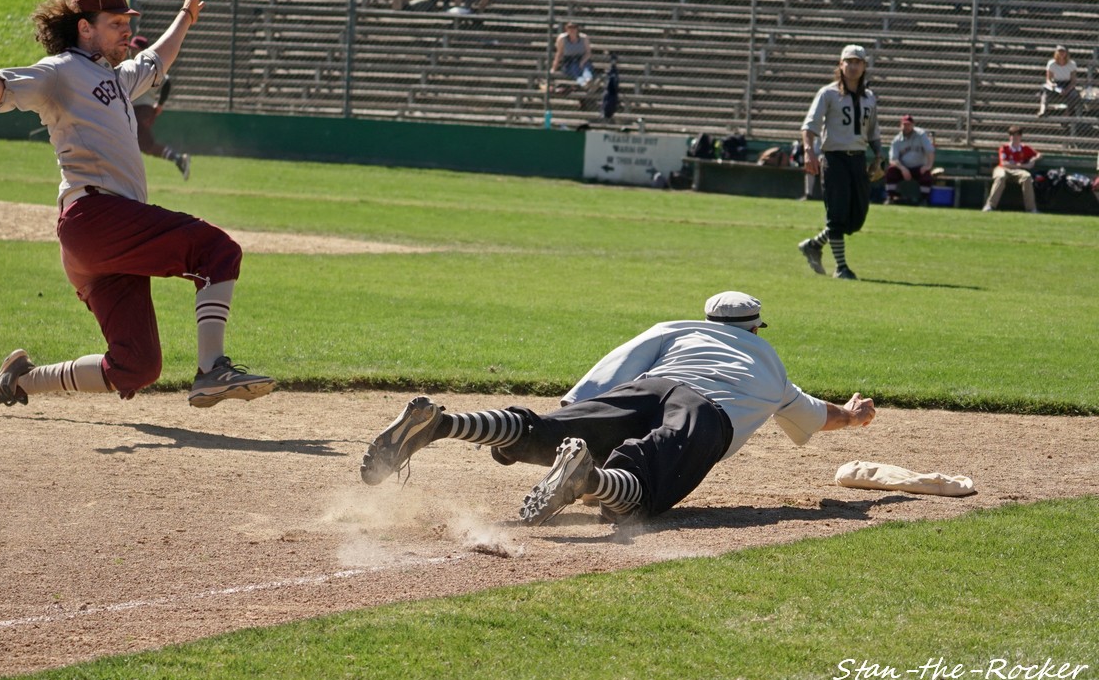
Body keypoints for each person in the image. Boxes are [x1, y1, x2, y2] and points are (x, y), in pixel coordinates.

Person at [0, 0, 276, 414]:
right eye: (115, 24)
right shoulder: (61, 70)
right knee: (216, 249)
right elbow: (3, 88)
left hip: (101, 242)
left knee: (136, 365)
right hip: (96, 216)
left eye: (128, 22)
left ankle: (18, 381)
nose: (126, 31)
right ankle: (212, 370)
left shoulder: (116, 78)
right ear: (85, 29)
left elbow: (155, 60)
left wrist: (185, 16)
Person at [359, 291, 875, 526]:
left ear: (710, 320)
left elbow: (615, 366)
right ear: (756, 328)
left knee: (544, 430)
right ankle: (587, 478)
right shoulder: (771, 365)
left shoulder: (678, 330)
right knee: (640, 491)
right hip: (707, 412)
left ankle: (442, 423)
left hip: (651, 386)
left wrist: (573, 412)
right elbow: (816, 415)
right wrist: (854, 414)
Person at [797, 44, 882, 281]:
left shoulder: (869, 97)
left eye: (858, 62)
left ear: (864, 66)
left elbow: (874, 130)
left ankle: (813, 245)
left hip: (858, 159)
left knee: (855, 219)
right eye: (849, 61)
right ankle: (842, 267)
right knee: (837, 215)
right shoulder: (828, 93)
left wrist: (878, 156)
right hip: (835, 159)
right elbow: (809, 125)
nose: (853, 66)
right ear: (840, 64)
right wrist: (808, 152)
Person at [128, 35, 190, 180]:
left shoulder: (146, 66)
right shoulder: (133, 64)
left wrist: (160, 104)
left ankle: (179, 159)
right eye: (131, 48)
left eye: (134, 49)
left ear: (143, 50)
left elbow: (167, 82)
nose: (131, 52)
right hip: (137, 110)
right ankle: (178, 159)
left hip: (142, 110)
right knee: (139, 145)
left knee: (145, 145)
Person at [983, 126, 1041, 213]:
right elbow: (1004, 163)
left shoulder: (1025, 148)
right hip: (1003, 169)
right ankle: (990, 206)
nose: (1014, 138)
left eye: (1017, 135)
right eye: (1012, 135)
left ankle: (1031, 209)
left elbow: (1039, 154)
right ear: (1009, 137)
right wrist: (1023, 165)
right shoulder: (1004, 148)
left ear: (1020, 137)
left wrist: (1033, 160)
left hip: (1017, 171)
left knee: (1027, 176)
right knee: (1001, 177)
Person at [885, 115, 936, 205]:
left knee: (926, 175)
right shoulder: (897, 140)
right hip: (903, 168)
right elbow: (892, 159)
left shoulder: (921, 135)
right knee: (891, 171)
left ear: (913, 125)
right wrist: (903, 169)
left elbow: (930, 150)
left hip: (919, 167)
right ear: (900, 125)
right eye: (904, 125)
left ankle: (924, 200)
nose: (907, 127)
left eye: (909, 125)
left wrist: (928, 166)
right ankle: (891, 197)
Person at [1039, 45, 1081, 118]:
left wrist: (1067, 90)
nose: (1061, 53)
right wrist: (1051, 85)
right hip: (1056, 84)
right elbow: (1048, 79)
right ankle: (1042, 111)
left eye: (1063, 51)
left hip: (1067, 83)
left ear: (1066, 53)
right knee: (1045, 92)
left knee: (1074, 95)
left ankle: (1066, 114)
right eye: (1059, 51)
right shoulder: (1051, 63)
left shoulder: (1072, 64)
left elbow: (1073, 81)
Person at [549, 22, 594, 89]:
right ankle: (584, 83)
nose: (572, 30)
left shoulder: (584, 38)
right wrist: (554, 68)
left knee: (586, 68)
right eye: (569, 28)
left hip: (581, 58)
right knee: (575, 70)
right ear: (566, 29)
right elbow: (559, 53)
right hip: (569, 61)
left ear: (577, 29)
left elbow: (588, 52)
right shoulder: (562, 38)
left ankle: (588, 79)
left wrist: (582, 61)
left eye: (574, 28)